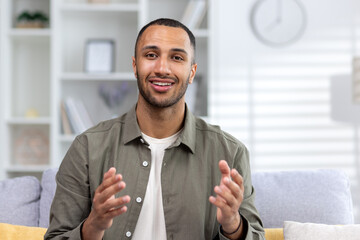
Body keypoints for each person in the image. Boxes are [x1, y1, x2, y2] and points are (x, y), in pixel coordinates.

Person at [45, 18, 264, 240]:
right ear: (134, 66)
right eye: (151, 55)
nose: (162, 68)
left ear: (192, 71)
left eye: (177, 58)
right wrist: (92, 226)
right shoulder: (87, 148)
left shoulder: (230, 152)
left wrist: (233, 225)